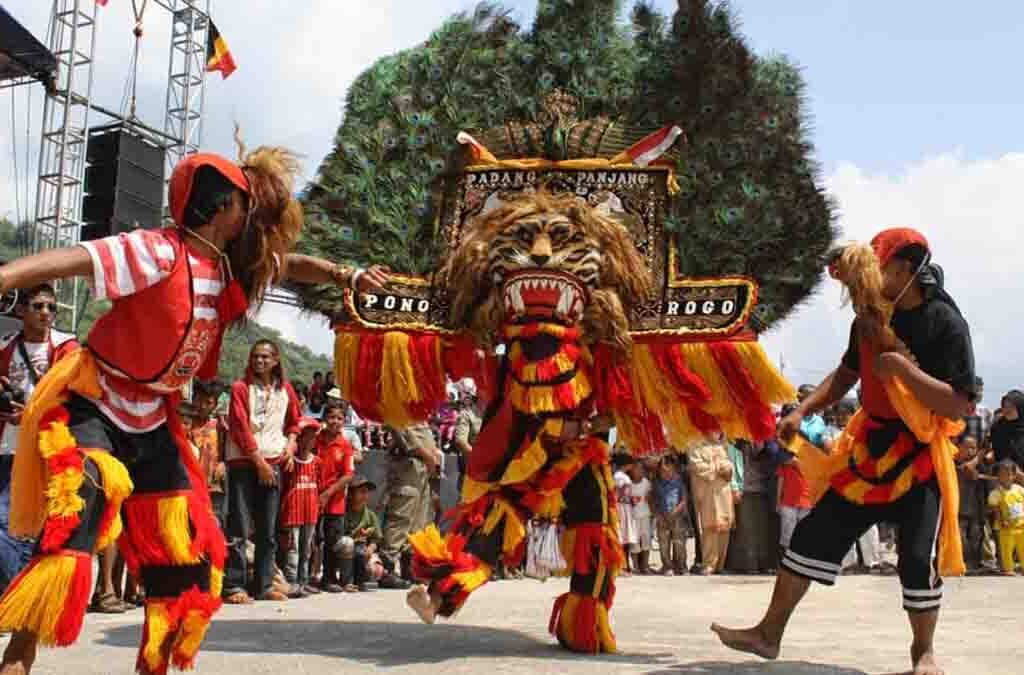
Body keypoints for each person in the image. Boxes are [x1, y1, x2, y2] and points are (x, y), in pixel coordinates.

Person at [0, 147, 389, 675]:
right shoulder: (157, 251)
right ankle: (17, 659)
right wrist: (4, 276)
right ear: (223, 206)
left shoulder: (232, 267)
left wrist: (347, 274)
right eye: (248, 205)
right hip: (97, 402)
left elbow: (292, 266)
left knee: (184, 552)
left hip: (156, 419)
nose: (257, 220)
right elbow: (75, 258)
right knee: (84, 499)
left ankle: (155, 666)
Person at [713, 228, 976, 675]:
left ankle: (923, 653)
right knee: (810, 536)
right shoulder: (868, 321)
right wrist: (801, 411)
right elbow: (846, 374)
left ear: (906, 270)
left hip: (920, 456)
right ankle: (768, 634)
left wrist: (899, 367)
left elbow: (958, 403)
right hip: (868, 451)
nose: (868, 283)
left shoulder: (946, 323)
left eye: (881, 270)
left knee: (915, 557)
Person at [0, 286, 77, 593]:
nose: (46, 313)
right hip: (9, 447)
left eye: (51, 307)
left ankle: (18, 598)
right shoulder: (4, 346)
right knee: (8, 524)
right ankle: (13, 596)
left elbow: (77, 394)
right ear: (21, 312)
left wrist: (33, 414)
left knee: (40, 527)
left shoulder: (68, 349)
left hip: (50, 448)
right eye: (38, 306)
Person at [224, 340, 302, 604]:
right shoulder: (240, 387)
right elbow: (239, 427)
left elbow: (294, 423)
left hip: (275, 461)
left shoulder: (286, 390)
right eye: (255, 356)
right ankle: (234, 585)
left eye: (265, 357)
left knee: (268, 529)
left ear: (276, 360)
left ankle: (264, 584)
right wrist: (259, 462)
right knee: (239, 526)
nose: (259, 361)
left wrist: (291, 446)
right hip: (245, 463)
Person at [381, 424, 437, 586]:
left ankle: (409, 568)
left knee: (418, 522)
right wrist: (428, 457)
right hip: (408, 466)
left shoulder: (422, 414)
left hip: (423, 471)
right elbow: (403, 435)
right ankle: (388, 569)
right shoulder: (401, 408)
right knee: (400, 518)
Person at [278, 417, 322, 597]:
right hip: (293, 512)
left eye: (312, 438)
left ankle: (303, 581)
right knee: (293, 547)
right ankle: (291, 581)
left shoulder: (317, 462)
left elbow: (319, 484)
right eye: (305, 437)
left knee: (306, 548)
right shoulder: (290, 461)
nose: (308, 441)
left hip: (310, 512)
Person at [317, 401, 356, 593]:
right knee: (313, 540)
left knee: (333, 541)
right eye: (331, 417)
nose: (335, 421)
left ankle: (329, 578)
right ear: (325, 419)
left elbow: (348, 475)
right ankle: (307, 577)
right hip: (312, 497)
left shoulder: (346, 446)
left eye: (339, 418)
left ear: (344, 421)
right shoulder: (315, 440)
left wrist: (327, 494)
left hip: (335, 502)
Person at [689, 434, 735, 575]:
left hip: (723, 492)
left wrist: (726, 469)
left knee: (724, 528)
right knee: (709, 529)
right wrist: (718, 468)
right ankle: (709, 564)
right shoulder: (694, 444)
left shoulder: (722, 445)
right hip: (706, 494)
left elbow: (729, 466)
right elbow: (697, 467)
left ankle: (720, 565)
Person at [189, 380, 227, 529]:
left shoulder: (219, 426)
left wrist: (224, 463)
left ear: (215, 404)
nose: (202, 406)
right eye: (198, 400)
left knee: (213, 525)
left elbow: (226, 451)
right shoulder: (185, 424)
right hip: (190, 486)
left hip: (213, 487)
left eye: (208, 402)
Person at [338, 476, 384, 592]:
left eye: (367, 492)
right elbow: (338, 538)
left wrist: (371, 548)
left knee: (376, 568)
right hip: (345, 550)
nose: (365, 495)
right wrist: (355, 535)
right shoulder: (343, 512)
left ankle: (361, 581)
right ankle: (347, 582)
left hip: (361, 550)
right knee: (347, 544)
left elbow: (376, 539)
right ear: (350, 494)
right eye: (361, 491)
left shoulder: (370, 515)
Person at [653, 456, 691, 575]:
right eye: (663, 471)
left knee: (679, 543)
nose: (666, 473)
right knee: (663, 544)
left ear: (674, 469)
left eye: (669, 470)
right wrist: (658, 515)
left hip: (677, 517)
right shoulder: (656, 483)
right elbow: (653, 501)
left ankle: (682, 566)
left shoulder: (679, 482)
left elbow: (684, 500)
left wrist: (675, 513)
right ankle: (667, 566)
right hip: (662, 517)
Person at [955, 435, 986, 573]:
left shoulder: (981, 465)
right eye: (967, 447)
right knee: (960, 537)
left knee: (976, 535)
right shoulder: (952, 463)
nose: (971, 451)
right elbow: (964, 469)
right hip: (959, 508)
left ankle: (975, 563)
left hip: (976, 509)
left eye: (974, 448)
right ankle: (963, 563)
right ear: (959, 447)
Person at [988, 460, 1024, 576]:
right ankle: (1008, 568)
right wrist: (1001, 520)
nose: (1006, 477)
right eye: (1002, 474)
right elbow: (995, 508)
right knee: (1006, 548)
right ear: (998, 476)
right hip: (1006, 528)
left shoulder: (1019, 489)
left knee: (1022, 547)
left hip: (1021, 525)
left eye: (1009, 474)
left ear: (1014, 475)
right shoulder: (996, 492)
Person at [776, 450, 811, 552]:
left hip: (807, 501)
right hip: (788, 502)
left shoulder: (810, 458)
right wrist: (778, 501)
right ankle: (786, 561)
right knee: (787, 535)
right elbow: (780, 481)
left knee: (804, 535)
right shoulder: (784, 459)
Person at [612, 454, 637, 574]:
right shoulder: (620, 476)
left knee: (625, 537)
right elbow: (618, 493)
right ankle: (622, 565)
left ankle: (625, 565)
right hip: (622, 508)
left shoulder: (620, 475)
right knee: (622, 536)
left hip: (624, 507)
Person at [628, 461, 653, 574]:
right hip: (633, 517)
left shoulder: (646, 483)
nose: (639, 471)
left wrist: (649, 498)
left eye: (641, 469)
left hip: (645, 515)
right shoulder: (628, 484)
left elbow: (651, 496)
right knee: (634, 542)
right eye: (636, 469)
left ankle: (646, 565)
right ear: (631, 471)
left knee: (646, 540)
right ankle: (636, 566)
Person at [990, 391, 1024, 470]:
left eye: (1011, 407)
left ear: (1020, 408)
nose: (1007, 410)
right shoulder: (997, 426)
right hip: (1001, 475)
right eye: (1004, 406)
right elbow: (987, 446)